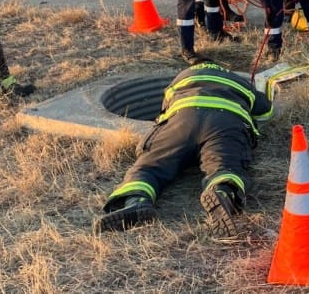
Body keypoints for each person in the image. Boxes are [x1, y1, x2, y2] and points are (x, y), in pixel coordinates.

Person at [94, 61, 274, 237]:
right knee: (225, 165)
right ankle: (221, 193)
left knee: (149, 166)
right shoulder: (239, 82)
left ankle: (137, 201)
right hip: (224, 123)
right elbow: (266, 112)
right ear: (224, 70)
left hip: (182, 120)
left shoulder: (181, 78)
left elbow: (165, 106)